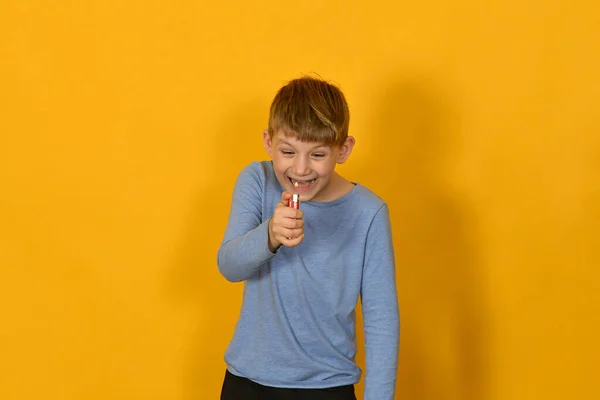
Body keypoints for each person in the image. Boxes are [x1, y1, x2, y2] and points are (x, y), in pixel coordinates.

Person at [217, 75, 400, 400]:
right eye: (288, 152)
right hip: (248, 384)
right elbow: (229, 266)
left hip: (327, 387)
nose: (301, 169)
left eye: (317, 155)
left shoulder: (368, 213)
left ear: (343, 149)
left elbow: (381, 317)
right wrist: (270, 235)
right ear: (268, 141)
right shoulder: (257, 182)